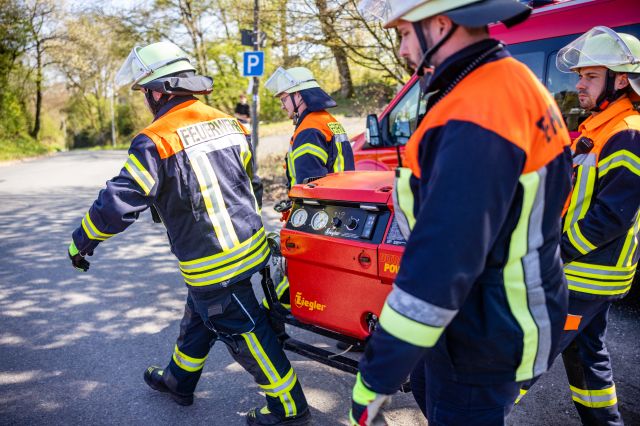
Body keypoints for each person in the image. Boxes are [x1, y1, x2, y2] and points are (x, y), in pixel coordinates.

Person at [350, 1, 573, 424]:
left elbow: (439, 266)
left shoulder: (478, 110)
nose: (402, 49)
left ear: (440, 23)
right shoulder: (507, 79)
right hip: (487, 314)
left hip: (482, 330)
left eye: (404, 33)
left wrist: (375, 378)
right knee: (427, 390)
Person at [66, 41, 310, 426]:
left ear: (158, 91)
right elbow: (251, 183)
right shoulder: (228, 122)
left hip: (214, 261)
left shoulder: (155, 139)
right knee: (200, 313)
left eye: (145, 91)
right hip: (249, 244)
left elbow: (118, 203)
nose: (145, 99)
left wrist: (81, 242)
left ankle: (289, 405)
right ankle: (178, 380)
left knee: (244, 329)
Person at [517, 27, 640, 425]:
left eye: (590, 76)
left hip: (584, 275)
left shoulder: (628, 132)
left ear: (620, 80)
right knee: (588, 357)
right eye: (580, 75)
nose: (579, 85)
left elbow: (612, 215)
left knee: (516, 358)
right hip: (591, 274)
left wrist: (557, 251)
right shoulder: (602, 128)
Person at [262, 66, 356, 313]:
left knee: (294, 276)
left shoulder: (308, 130)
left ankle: (273, 316)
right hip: (342, 209)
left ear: (299, 96)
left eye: (284, 98)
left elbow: (309, 185)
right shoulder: (330, 122)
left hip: (319, 215)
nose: (282, 105)